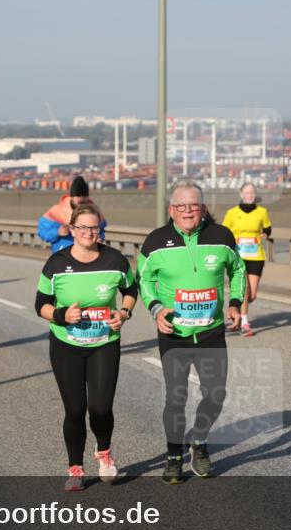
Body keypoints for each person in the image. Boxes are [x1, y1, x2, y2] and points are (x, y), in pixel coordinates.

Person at [137, 180, 245, 484]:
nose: (188, 211)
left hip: (211, 332)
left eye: (193, 205)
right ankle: (173, 455)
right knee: (176, 396)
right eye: (181, 206)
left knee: (216, 394)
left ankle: (198, 440)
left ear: (203, 208)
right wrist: (157, 309)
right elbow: (143, 280)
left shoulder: (221, 236)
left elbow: (237, 270)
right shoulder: (155, 241)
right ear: (172, 210)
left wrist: (235, 304)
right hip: (174, 333)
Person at [35, 204, 138, 492]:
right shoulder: (56, 263)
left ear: (100, 230)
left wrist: (124, 313)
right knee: (75, 410)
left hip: (104, 342)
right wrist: (60, 315)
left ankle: (104, 453)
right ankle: (75, 468)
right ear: (72, 229)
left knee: (101, 408)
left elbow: (131, 290)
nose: (89, 233)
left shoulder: (115, 259)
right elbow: (40, 303)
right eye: (83, 228)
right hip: (66, 345)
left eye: (94, 228)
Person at [221, 182, 272, 337]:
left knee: (252, 295)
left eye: (252, 192)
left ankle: (237, 310)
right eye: (246, 192)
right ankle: (244, 322)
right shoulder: (232, 213)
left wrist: (266, 234)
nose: (249, 195)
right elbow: (224, 231)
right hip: (239, 257)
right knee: (244, 290)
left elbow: (267, 228)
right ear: (241, 194)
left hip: (256, 256)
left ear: (255, 194)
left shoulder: (262, 212)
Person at [37, 176, 107, 252]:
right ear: (72, 197)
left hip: (88, 255)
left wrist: (100, 238)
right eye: (78, 196)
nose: (82, 199)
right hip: (64, 256)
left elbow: (101, 231)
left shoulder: (95, 211)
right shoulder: (57, 211)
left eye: (84, 196)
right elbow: (42, 232)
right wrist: (57, 232)